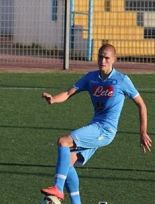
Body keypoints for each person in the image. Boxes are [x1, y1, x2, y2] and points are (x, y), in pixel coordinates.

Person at [40, 44, 152, 204]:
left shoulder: (122, 80)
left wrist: (143, 132)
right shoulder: (90, 77)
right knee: (68, 162)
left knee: (63, 141)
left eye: (107, 57)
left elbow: (141, 104)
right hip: (96, 128)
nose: (103, 60)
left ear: (114, 59)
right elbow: (68, 93)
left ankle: (58, 188)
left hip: (105, 130)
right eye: (100, 56)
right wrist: (53, 100)